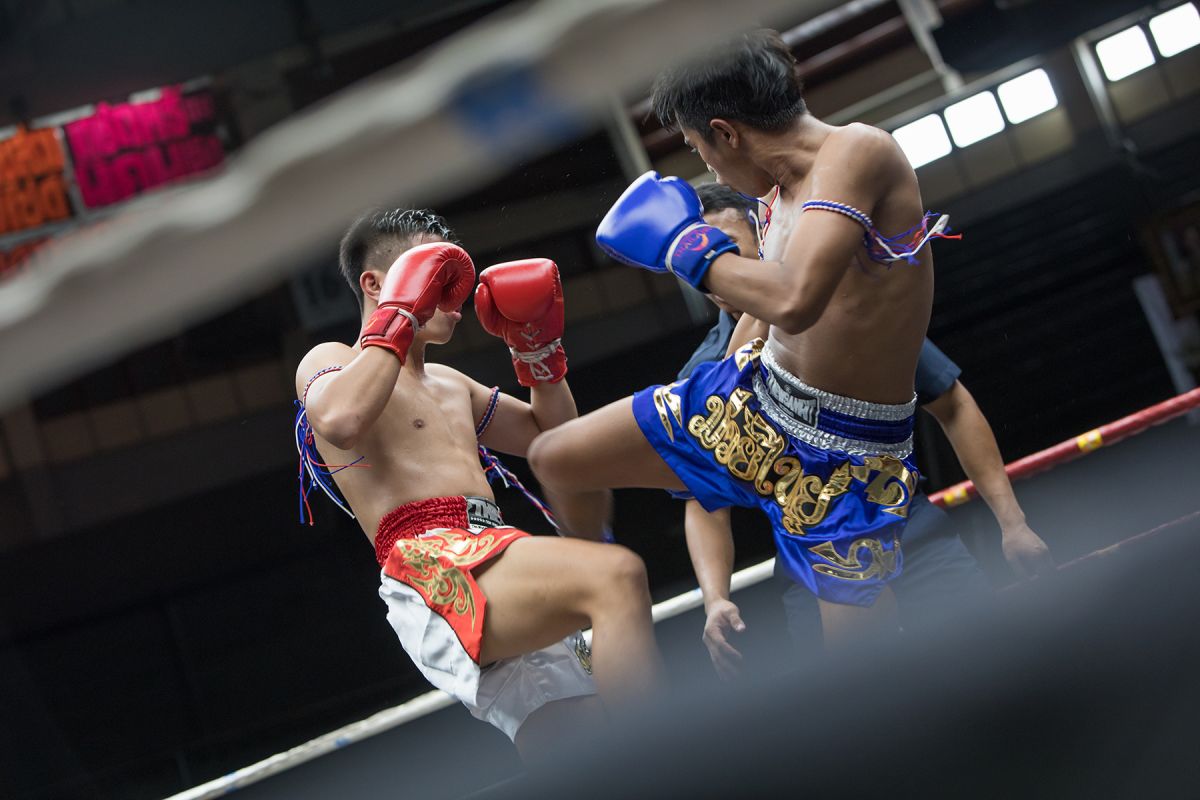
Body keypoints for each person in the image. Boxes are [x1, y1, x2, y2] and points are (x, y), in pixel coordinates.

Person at [529, 28, 958, 644]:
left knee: (867, 674)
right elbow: (768, 314)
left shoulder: (859, 151)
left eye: (699, 147)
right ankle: (594, 592)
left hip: (845, 454)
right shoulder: (774, 198)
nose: (704, 163)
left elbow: (796, 299)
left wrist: (686, 246)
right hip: (753, 396)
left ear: (725, 131)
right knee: (556, 458)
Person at [293, 208, 661, 761]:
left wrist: (537, 352)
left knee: (583, 745)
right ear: (375, 283)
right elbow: (340, 420)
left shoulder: (448, 382)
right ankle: (681, 759)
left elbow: (557, 441)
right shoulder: (332, 362)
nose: (451, 299)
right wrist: (398, 316)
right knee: (616, 576)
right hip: (430, 562)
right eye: (433, 276)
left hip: (493, 553)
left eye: (453, 281)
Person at [680, 184, 1054, 677]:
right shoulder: (700, 375)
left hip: (915, 541)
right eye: (697, 258)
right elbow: (704, 501)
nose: (713, 263)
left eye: (725, 247)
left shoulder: (845, 304)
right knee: (866, 728)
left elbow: (954, 405)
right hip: (812, 574)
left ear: (761, 235)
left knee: (1002, 677)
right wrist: (714, 599)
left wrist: (1013, 522)